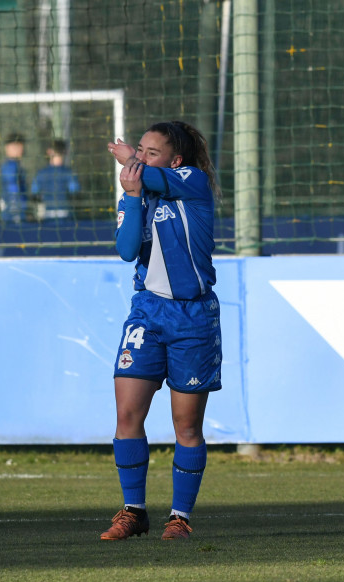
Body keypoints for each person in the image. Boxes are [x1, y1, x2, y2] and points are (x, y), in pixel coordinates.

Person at [100, 121, 222, 541]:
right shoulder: (136, 194)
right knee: (127, 413)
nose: (142, 157)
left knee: (186, 426)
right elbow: (126, 250)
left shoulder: (192, 181)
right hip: (147, 313)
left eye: (152, 152)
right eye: (141, 149)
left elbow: (149, 173)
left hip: (193, 317)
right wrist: (132, 198)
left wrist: (131, 163)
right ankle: (134, 510)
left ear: (175, 161)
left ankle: (180, 517)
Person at [30, 139, 80, 220]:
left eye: (60, 152)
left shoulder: (68, 173)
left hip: (64, 214)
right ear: (49, 152)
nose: (59, 155)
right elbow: (34, 195)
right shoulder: (42, 174)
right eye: (57, 151)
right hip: (48, 215)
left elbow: (75, 193)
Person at [0, 132, 28, 224]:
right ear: (7, 147)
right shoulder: (10, 167)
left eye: (20, 146)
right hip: (14, 214)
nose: (20, 149)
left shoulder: (16, 165)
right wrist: (19, 211)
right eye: (16, 146)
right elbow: (13, 191)